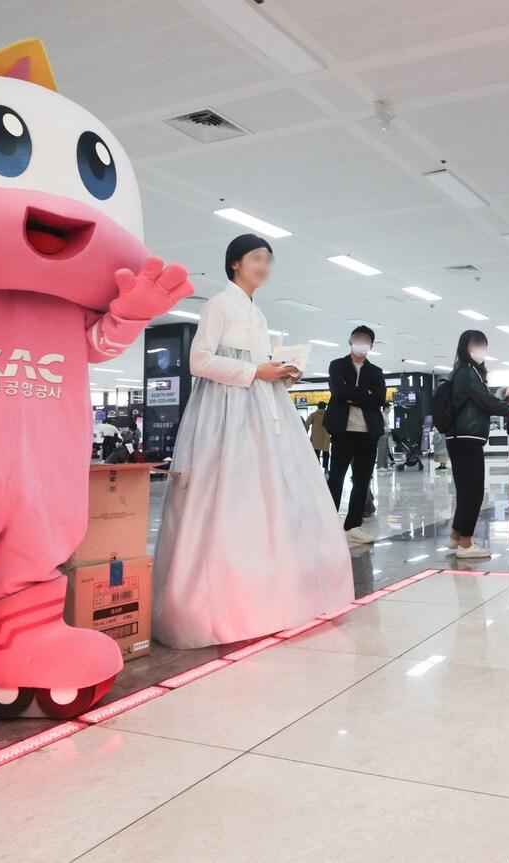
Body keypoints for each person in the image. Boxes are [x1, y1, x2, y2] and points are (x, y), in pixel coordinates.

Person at [152, 234, 354, 649]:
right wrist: (253, 372)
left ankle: (276, 594)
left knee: (267, 493)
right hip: (225, 412)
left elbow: (255, 363)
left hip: (262, 410)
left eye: (268, 260)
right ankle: (226, 601)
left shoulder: (257, 313)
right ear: (235, 265)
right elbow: (199, 360)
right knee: (228, 491)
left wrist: (280, 370)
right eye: (257, 258)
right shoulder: (218, 305)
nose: (264, 266)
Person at [446, 330, 509, 558]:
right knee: (474, 491)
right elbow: (486, 401)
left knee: (466, 490)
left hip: (461, 437)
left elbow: (482, 399)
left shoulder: (468, 373)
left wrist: (505, 400)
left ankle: (457, 536)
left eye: (482, 344)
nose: (480, 348)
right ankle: (466, 544)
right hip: (465, 438)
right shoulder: (467, 372)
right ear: (464, 347)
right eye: (475, 344)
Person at [324, 326, 386, 544]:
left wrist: (352, 395)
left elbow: (379, 398)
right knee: (336, 478)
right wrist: (364, 394)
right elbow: (338, 392)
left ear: (371, 345)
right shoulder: (337, 365)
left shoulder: (376, 372)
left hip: (367, 434)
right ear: (350, 342)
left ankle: (353, 526)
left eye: (366, 340)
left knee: (361, 481)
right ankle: (328, 524)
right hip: (342, 431)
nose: (361, 343)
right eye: (358, 339)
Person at [306, 403, 331, 471]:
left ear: (318, 407)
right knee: (326, 453)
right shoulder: (328, 415)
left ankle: (317, 468)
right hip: (326, 437)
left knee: (316, 452)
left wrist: (306, 432)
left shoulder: (313, 414)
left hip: (315, 437)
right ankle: (326, 468)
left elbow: (307, 423)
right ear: (325, 407)